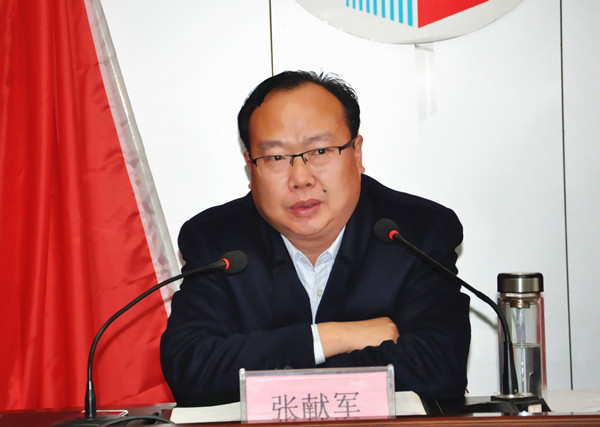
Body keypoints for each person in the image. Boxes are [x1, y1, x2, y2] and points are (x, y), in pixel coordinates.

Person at [160, 71, 471, 407]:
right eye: (276, 157)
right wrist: (329, 338)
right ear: (250, 167)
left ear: (357, 153)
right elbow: (190, 371)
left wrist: (268, 369)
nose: (301, 178)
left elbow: (438, 370)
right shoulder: (216, 240)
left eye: (321, 150)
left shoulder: (417, 232)